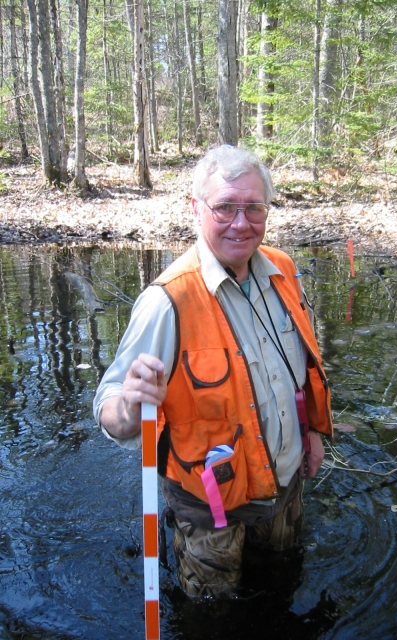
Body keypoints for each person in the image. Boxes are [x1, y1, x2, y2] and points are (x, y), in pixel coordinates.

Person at [93, 145, 333, 598]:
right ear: (196, 209)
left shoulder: (283, 270)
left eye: (253, 207)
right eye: (224, 206)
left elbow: (299, 370)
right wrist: (129, 402)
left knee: (282, 580)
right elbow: (110, 408)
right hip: (210, 504)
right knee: (212, 612)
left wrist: (313, 434)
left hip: (285, 482)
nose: (240, 222)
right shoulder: (167, 301)